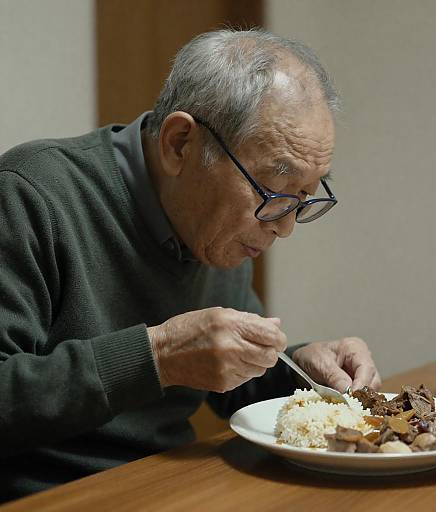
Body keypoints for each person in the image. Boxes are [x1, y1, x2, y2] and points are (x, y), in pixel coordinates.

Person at [0, 28, 381, 501]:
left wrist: (299, 368)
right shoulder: (31, 195)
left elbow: (230, 383)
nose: (284, 227)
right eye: (273, 190)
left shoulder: (221, 227)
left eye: (304, 197)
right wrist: (156, 356)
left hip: (175, 485)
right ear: (180, 144)